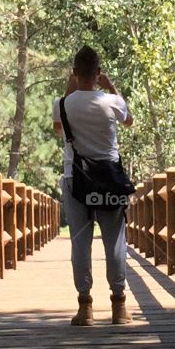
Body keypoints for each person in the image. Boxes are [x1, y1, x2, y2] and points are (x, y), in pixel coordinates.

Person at [53, 45, 134, 326]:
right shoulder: (112, 101)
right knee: (115, 241)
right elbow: (129, 121)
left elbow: (58, 127)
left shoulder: (62, 104)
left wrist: (69, 88)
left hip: (75, 180)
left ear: (74, 72)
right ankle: (119, 306)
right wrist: (110, 86)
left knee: (80, 242)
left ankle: (85, 307)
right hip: (109, 180)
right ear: (98, 73)